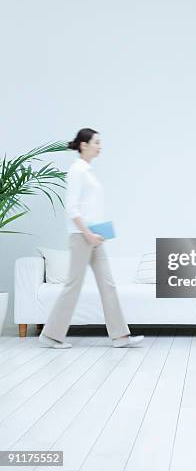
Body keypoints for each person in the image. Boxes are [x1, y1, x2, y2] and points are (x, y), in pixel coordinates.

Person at [39, 127, 144, 349]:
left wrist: (97, 234)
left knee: (108, 285)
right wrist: (88, 234)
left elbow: (89, 209)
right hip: (81, 237)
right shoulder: (77, 170)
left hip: (94, 236)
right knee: (73, 286)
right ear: (84, 145)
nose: (100, 146)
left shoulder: (87, 170)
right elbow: (72, 209)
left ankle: (120, 337)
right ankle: (50, 335)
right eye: (96, 142)